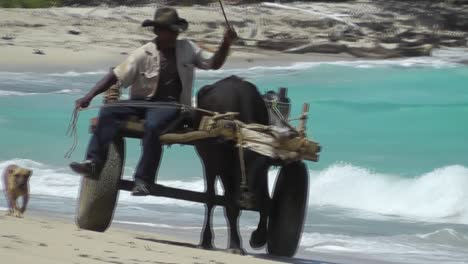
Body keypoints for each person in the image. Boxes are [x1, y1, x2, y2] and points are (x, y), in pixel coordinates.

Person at [70, 7, 237, 196]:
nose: (174, 34)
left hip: (172, 105)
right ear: (157, 31)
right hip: (141, 103)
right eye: (170, 30)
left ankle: (143, 180)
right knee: (108, 112)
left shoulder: (187, 48)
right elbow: (114, 76)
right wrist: (89, 96)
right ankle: (94, 163)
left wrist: (225, 43)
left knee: (153, 126)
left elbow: (213, 63)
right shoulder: (143, 53)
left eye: (176, 30)